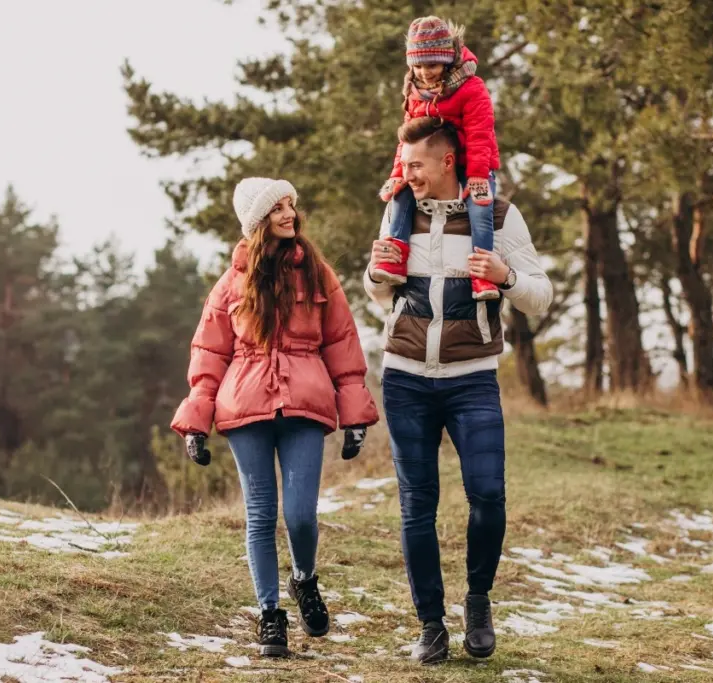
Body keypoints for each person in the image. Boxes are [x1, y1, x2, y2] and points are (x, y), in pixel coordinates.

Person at [364, 117, 553, 664]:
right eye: (405, 164)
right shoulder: (400, 209)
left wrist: (505, 276)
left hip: (472, 380)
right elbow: (380, 294)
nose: (407, 174)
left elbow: (539, 295)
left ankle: (477, 602)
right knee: (415, 507)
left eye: (416, 164)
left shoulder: (497, 216)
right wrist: (378, 275)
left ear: (449, 161)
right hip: (404, 378)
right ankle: (430, 625)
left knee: (488, 497)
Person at [172, 177, 380, 658]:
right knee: (261, 516)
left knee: (301, 516)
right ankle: (270, 616)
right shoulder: (230, 285)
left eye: (291, 205)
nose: (290, 213)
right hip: (244, 409)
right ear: (257, 222)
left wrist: (355, 415)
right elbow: (208, 356)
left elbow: (343, 345)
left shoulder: (319, 275)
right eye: (278, 208)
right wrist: (195, 423)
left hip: (306, 407)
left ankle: (304, 579)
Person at [372, 15, 502, 304]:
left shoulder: (471, 87)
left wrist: (479, 175)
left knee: (481, 209)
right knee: (400, 193)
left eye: (431, 65)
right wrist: (399, 172)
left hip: (472, 163)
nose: (425, 72)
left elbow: (481, 134)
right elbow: (408, 139)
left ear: (446, 59)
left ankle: (482, 270)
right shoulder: (415, 92)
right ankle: (395, 254)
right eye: (418, 65)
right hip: (431, 163)